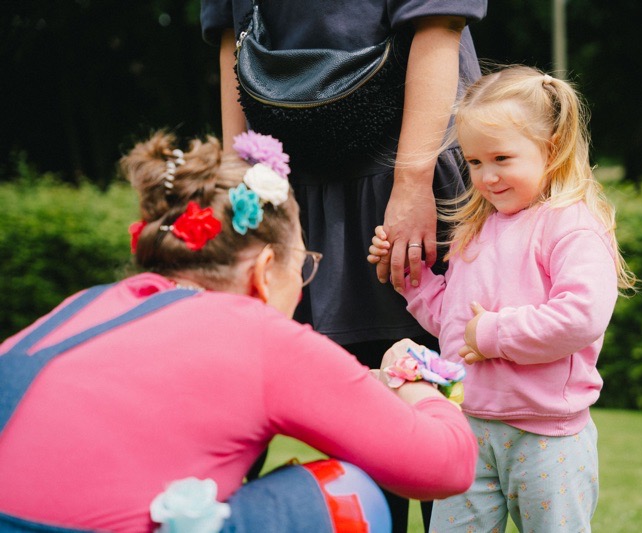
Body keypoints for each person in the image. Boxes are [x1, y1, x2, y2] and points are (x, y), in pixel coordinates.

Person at [0, 131, 478, 532]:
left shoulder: (88, 303)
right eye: (303, 268)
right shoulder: (262, 336)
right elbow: (449, 465)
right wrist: (411, 380)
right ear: (265, 269)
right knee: (352, 489)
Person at [200, 1, 487, 529]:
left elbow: (440, 21)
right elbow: (231, 42)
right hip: (290, 188)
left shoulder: (409, 181)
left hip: (400, 170)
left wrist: (412, 183)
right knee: (332, 409)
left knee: (425, 390)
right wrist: (242, 185)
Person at [368, 66, 638, 532]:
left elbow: (581, 317)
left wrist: (493, 333)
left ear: (550, 150)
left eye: (501, 158)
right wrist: (410, 279)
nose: (487, 176)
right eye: (474, 163)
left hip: (547, 436)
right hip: (470, 426)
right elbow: (456, 323)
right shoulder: (479, 228)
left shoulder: (572, 225)